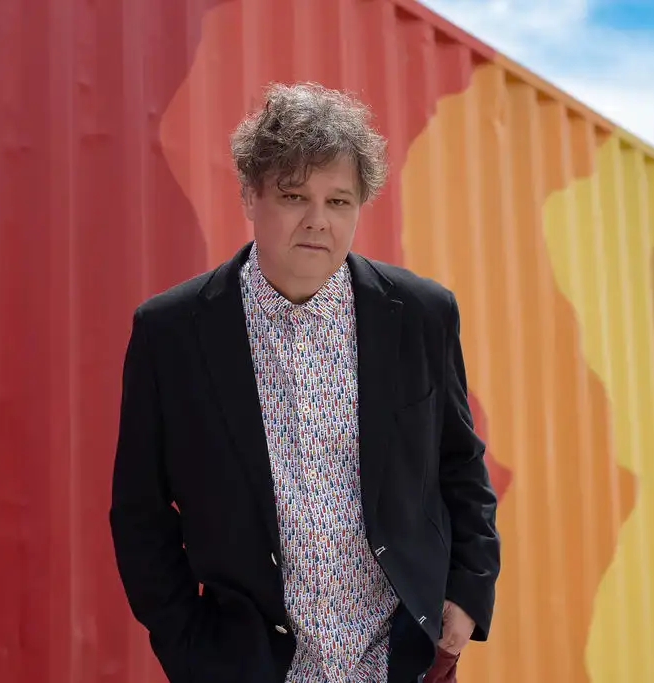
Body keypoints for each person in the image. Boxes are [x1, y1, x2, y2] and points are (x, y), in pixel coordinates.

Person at [109, 81, 501, 683]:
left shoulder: (421, 315)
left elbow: (460, 466)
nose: (318, 222)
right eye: (294, 196)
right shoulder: (170, 333)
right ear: (250, 194)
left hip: (400, 660)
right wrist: (191, 649)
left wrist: (468, 592)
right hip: (247, 666)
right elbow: (140, 513)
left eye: (339, 201)